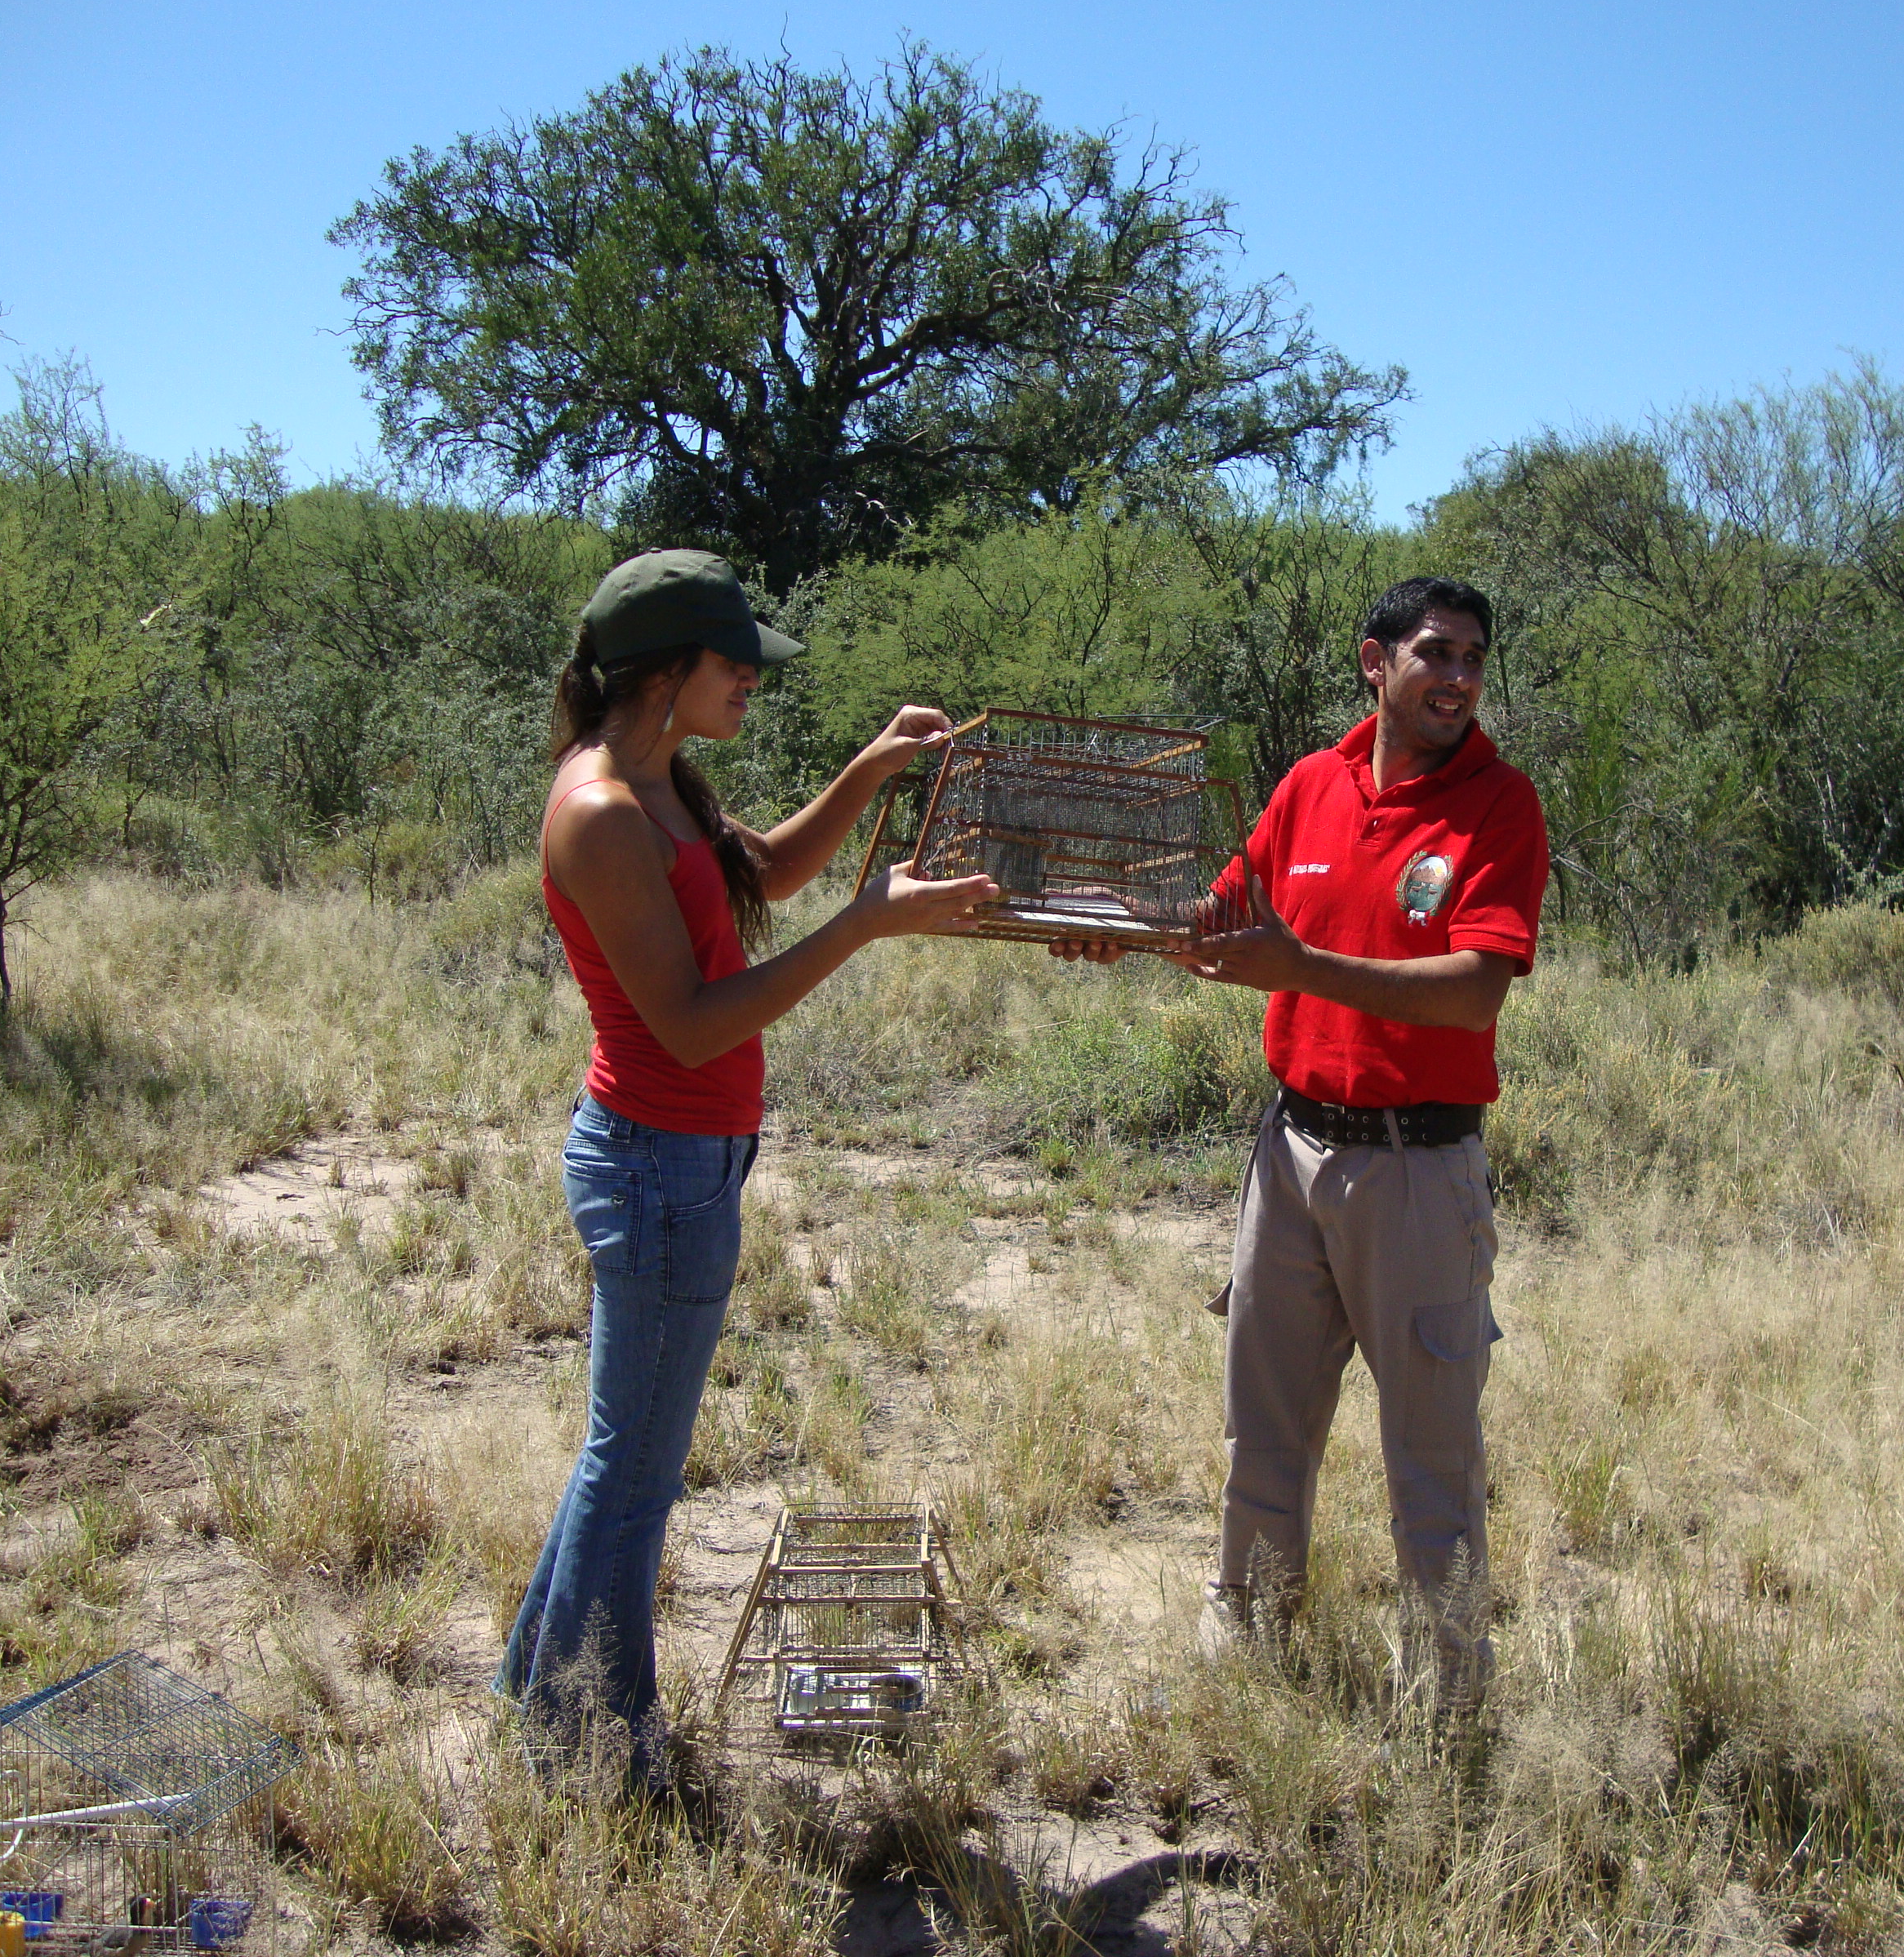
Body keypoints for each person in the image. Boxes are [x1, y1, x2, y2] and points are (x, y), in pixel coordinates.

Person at [496, 548, 995, 1785]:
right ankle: (592, 1748)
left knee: (621, 1456)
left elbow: (760, 872)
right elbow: (695, 1021)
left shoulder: (661, 779)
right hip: (660, 1169)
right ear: (666, 674)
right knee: (637, 1476)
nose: (752, 688)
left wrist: (872, 766)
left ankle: (536, 1687)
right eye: (735, 667)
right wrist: (870, 921)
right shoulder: (605, 809)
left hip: (680, 1164)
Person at [1057, 576, 1547, 1712]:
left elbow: (1474, 993)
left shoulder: (1498, 807)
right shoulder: (1311, 787)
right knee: (1263, 1426)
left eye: (1475, 656)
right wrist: (1106, 927)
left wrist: (1303, 969)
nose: (1460, 677)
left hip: (1419, 1170)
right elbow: (1222, 927)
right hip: (1292, 1153)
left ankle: (1448, 1697)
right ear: (1375, 664)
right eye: (1436, 653)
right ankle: (1252, 1658)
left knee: (1432, 1454)